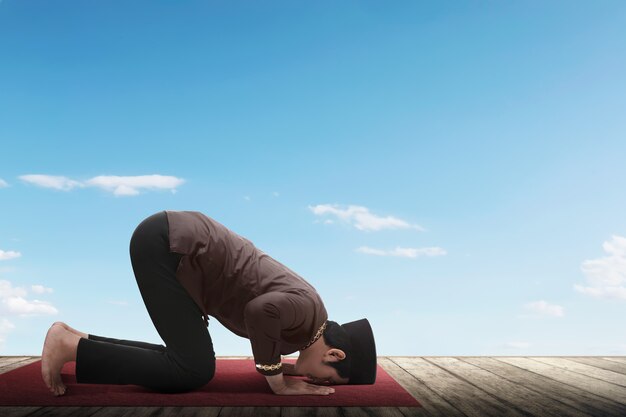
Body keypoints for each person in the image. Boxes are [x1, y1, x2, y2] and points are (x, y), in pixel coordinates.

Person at [41, 210, 377, 397]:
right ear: (334, 354)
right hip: (171, 247)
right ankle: (69, 346)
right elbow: (260, 311)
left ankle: (76, 342)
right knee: (194, 369)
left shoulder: (305, 324)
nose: (321, 383)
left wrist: (282, 364)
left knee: (188, 359)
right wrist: (276, 382)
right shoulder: (307, 312)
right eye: (329, 379)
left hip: (175, 247)